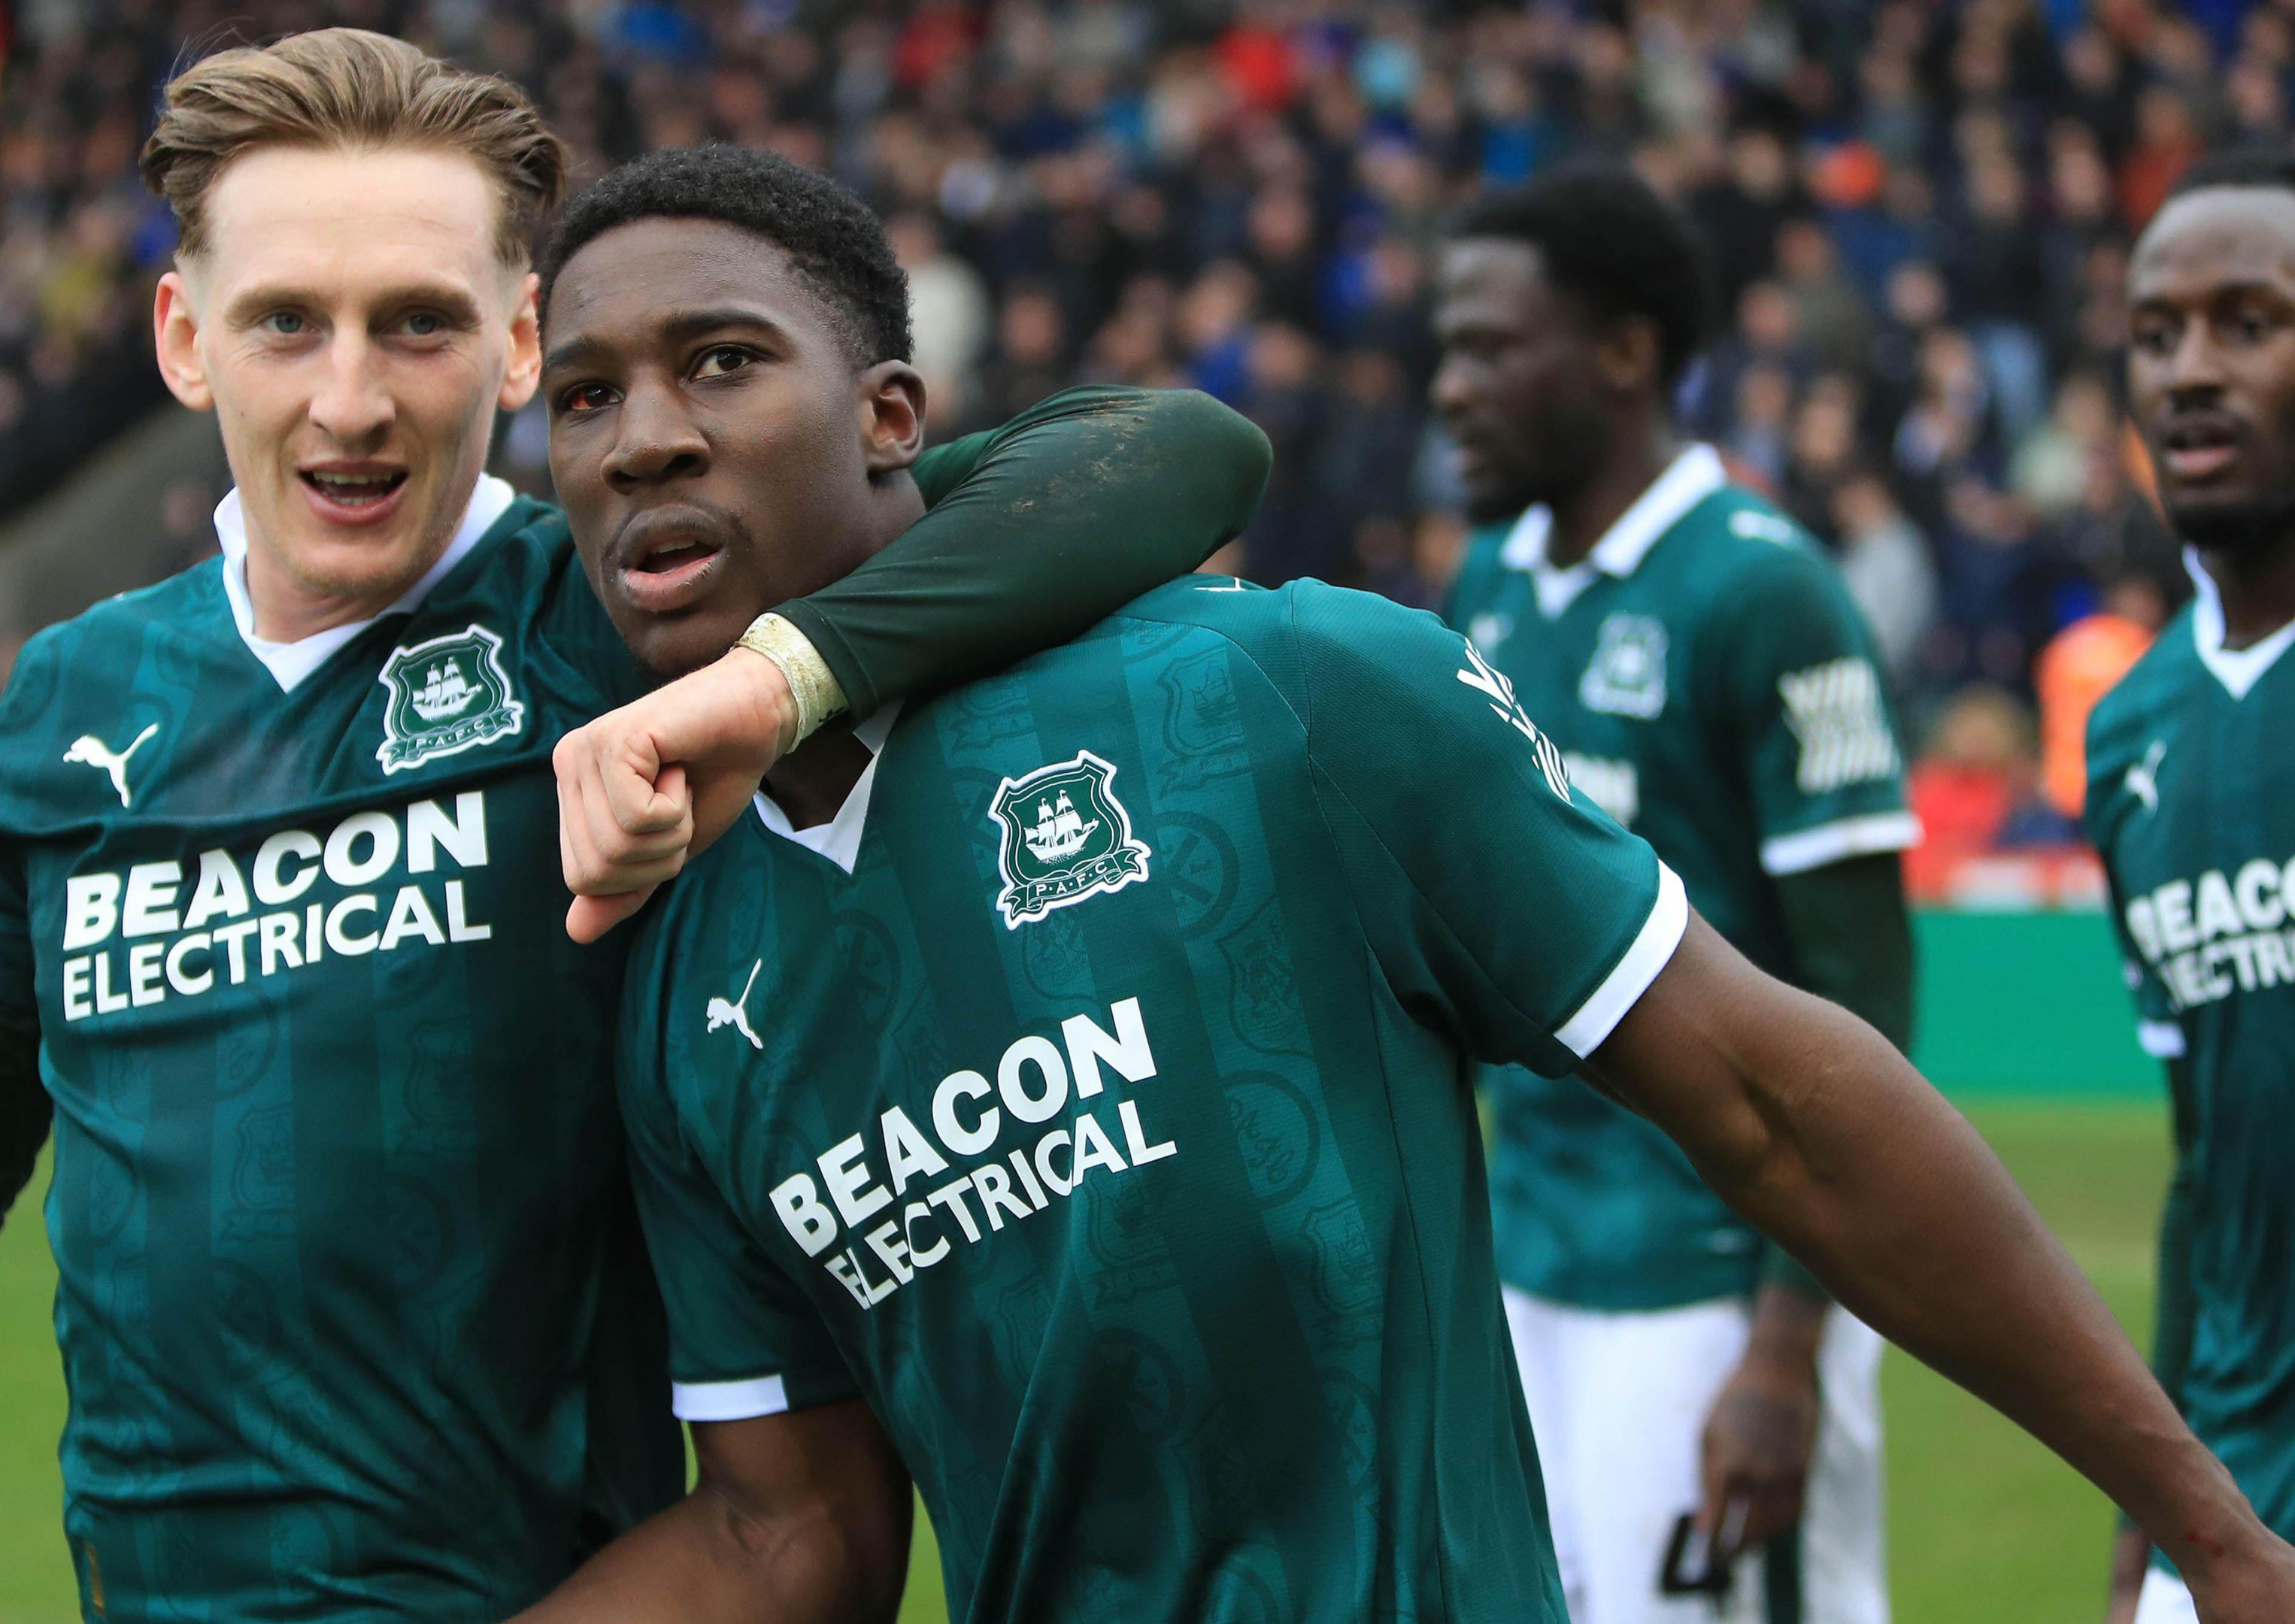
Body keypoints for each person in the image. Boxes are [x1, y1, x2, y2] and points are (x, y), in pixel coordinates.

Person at [0, 32, 1269, 1624]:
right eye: (286, 323)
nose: (353, 399)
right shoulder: (69, 706)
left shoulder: (624, 619)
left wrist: (768, 686)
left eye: (419, 324)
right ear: (183, 339)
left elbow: (1172, 452)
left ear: (521, 342)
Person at [523, 143, 2295, 1624]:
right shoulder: (678, 972)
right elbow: (791, 1527)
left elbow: (1772, 1100)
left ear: (894, 412)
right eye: (585, 396)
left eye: (724, 363)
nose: (641, 439)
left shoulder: (1275, 696)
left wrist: (2211, 1532)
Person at [1429, 165, 1918, 1624]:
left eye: (1492, 350)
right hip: (1534, 1257)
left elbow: (1861, 994)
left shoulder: (1763, 592)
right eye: (1446, 350)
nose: (1450, 390)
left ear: (1626, 355)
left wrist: (1787, 1350)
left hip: (1717, 1281)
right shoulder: (1488, 588)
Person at [2088, 146, 2295, 1624]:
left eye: (2250, 321)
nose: (2191, 372)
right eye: (2158, 335)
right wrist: (2142, 1522)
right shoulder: (2130, 734)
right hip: (2226, 1514)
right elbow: (2201, 1170)